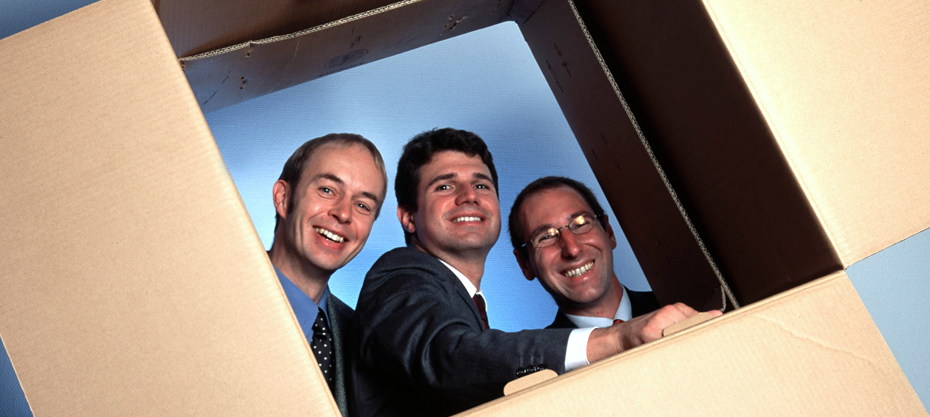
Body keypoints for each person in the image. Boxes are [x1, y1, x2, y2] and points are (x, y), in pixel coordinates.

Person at [354, 128, 715, 417]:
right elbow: (448, 358)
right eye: (445, 186)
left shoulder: (466, 307)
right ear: (407, 217)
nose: (469, 196)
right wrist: (616, 340)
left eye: (481, 184)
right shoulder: (399, 275)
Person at [268, 133, 388, 417]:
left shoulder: (362, 340)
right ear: (284, 198)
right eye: (327, 190)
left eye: (363, 205)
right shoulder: (214, 295)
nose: (343, 214)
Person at [509, 176, 659, 330]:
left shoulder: (678, 304)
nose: (572, 250)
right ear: (525, 264)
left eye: (581, 224)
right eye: (546, 237)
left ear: (608, 233)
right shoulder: (537, 354)